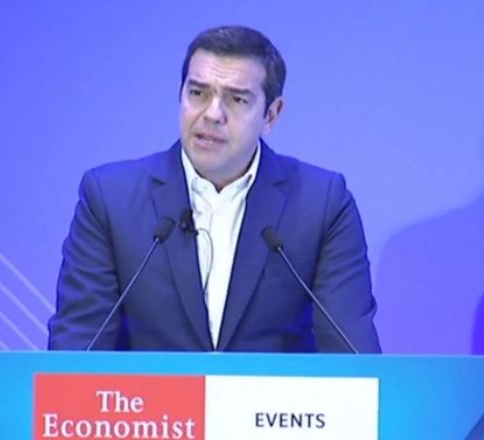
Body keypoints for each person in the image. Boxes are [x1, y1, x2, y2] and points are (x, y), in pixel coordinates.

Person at [47, 25, 380, 353]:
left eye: (237, 99)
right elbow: (77, 350)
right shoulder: (110, 199)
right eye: (198, 93)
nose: (212, 114)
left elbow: (352, 356)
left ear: (271, 115)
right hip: (151, 393)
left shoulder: (321, 205)